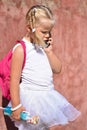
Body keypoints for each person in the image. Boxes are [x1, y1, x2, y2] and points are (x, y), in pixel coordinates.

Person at [8, 5, 81, 130]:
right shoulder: (21, 49)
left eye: (49, 31)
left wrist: (49, 52)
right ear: (30, 28)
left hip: (48, 98)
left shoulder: (42, 47)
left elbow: (58, 69)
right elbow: (13, 80)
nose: (47, 35)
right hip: (31, 99)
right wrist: (16, 106)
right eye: (44, 31)